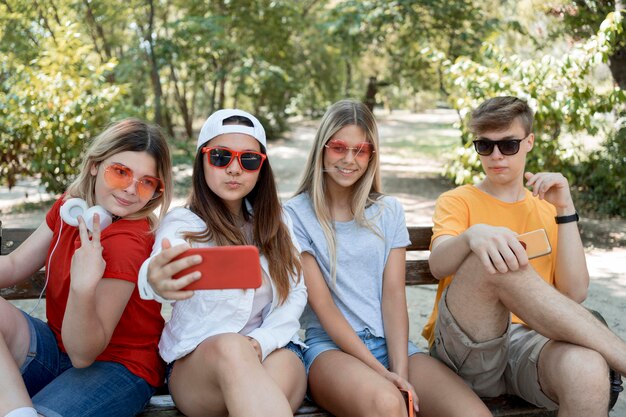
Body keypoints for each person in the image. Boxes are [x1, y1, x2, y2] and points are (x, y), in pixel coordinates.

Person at [284, 99, 491, 417]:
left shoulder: (387, 210)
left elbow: (393, 295)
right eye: (339, 147)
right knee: (387, 404)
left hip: (389, 345)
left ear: (372, 155)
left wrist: (400, 371)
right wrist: (383, 375)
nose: (349, 160)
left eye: (361, 150)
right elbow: (323, 307)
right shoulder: (295, 214)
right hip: (329, 349)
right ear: (322, 149)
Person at [422, 96, 626, 416]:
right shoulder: (458, 200)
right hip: (469, 346)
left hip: (530, 346)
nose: (496, 155)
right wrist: (472, 237)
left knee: (587, 369)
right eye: (484, 146)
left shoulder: (547, 208)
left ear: (529, 142)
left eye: (508, 145)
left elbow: (574, 293)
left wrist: (565, 209)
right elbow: (437, 264)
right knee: (494, 257)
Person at [138, 109, 307, 417]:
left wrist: (261, 341)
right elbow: (164, 265)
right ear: (202, 161)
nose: (234, 169)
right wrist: (157, 278)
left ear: (261, 168)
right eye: (220, 156)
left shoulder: (277, 221)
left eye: (249, 160)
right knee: (231, 347)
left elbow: (296, 292)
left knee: (256, 392)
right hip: (199, 366)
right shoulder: (181, 223)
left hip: (274, 349)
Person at [0, 118, 173, 417]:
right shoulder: (71, 209)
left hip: (117, 367)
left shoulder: (128, 242)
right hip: (55, 350)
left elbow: (83, 354)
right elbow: (14, 265)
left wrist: (83, 286)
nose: (131, 189)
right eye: (120, 172)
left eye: (146, 182)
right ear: (95, 165)